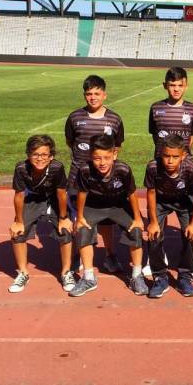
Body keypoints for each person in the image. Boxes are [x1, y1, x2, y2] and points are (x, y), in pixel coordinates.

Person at [69, 134, 145, 297]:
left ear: (114, 154)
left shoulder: (123, 169)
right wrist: (80, 217)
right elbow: (82, 193)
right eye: (97, 158)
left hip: (118, 205)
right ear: (91, 156)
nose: (102, 162)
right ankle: (88, 277)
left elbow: (132, 194)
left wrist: (138, 218)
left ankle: (137, 276)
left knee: (135, 230)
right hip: (94, 206)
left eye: (106, 158)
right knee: (83, 230)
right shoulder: (85, 170)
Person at [64, 74, 124, 273]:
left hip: (104, 181)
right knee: (78, 220)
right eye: (89, 94)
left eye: (97, 93)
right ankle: (77, 256)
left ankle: (110, 255)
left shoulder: (115, 119)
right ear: (84, 95)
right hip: (77, 180)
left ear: (104, 95)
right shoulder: (75, 117)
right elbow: (71, 142)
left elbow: (117, 148)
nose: (93, 97)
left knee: (106, 221)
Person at [8, 135, 74, 293]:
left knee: (65, 230)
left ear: (51, 156)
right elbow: (19, 195)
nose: (39, 158)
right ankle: (23, 272)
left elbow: (61, 193)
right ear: (28, 155)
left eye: (44, 154)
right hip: (33, 199)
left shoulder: (57, 168)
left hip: (53, 198)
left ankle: (66, 272)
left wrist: (64, 218)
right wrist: (18, 220)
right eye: (35, 154)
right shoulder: (21, 169)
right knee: (17, 232)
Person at [144, 134, 193, 298]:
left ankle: (185, 275)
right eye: (166, 156)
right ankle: (160, 277)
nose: (170, 161)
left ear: (183, 155)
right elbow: (151, 193)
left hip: (183, 202)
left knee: (191, 234)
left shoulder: (190, 168)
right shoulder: (153, 167)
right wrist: (153, 221)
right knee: (154, 235)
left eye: (175, 157)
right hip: (161, 201)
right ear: (160, 153)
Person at [148, 66, 193, 158]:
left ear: (186, 86)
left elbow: (192, 135)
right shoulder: (156, 108)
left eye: (180, 85)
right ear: (165, 85)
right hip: (161, 161)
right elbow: (155, 136)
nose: (176, 89)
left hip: (185, 161)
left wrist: (182, 153)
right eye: (172, 85)